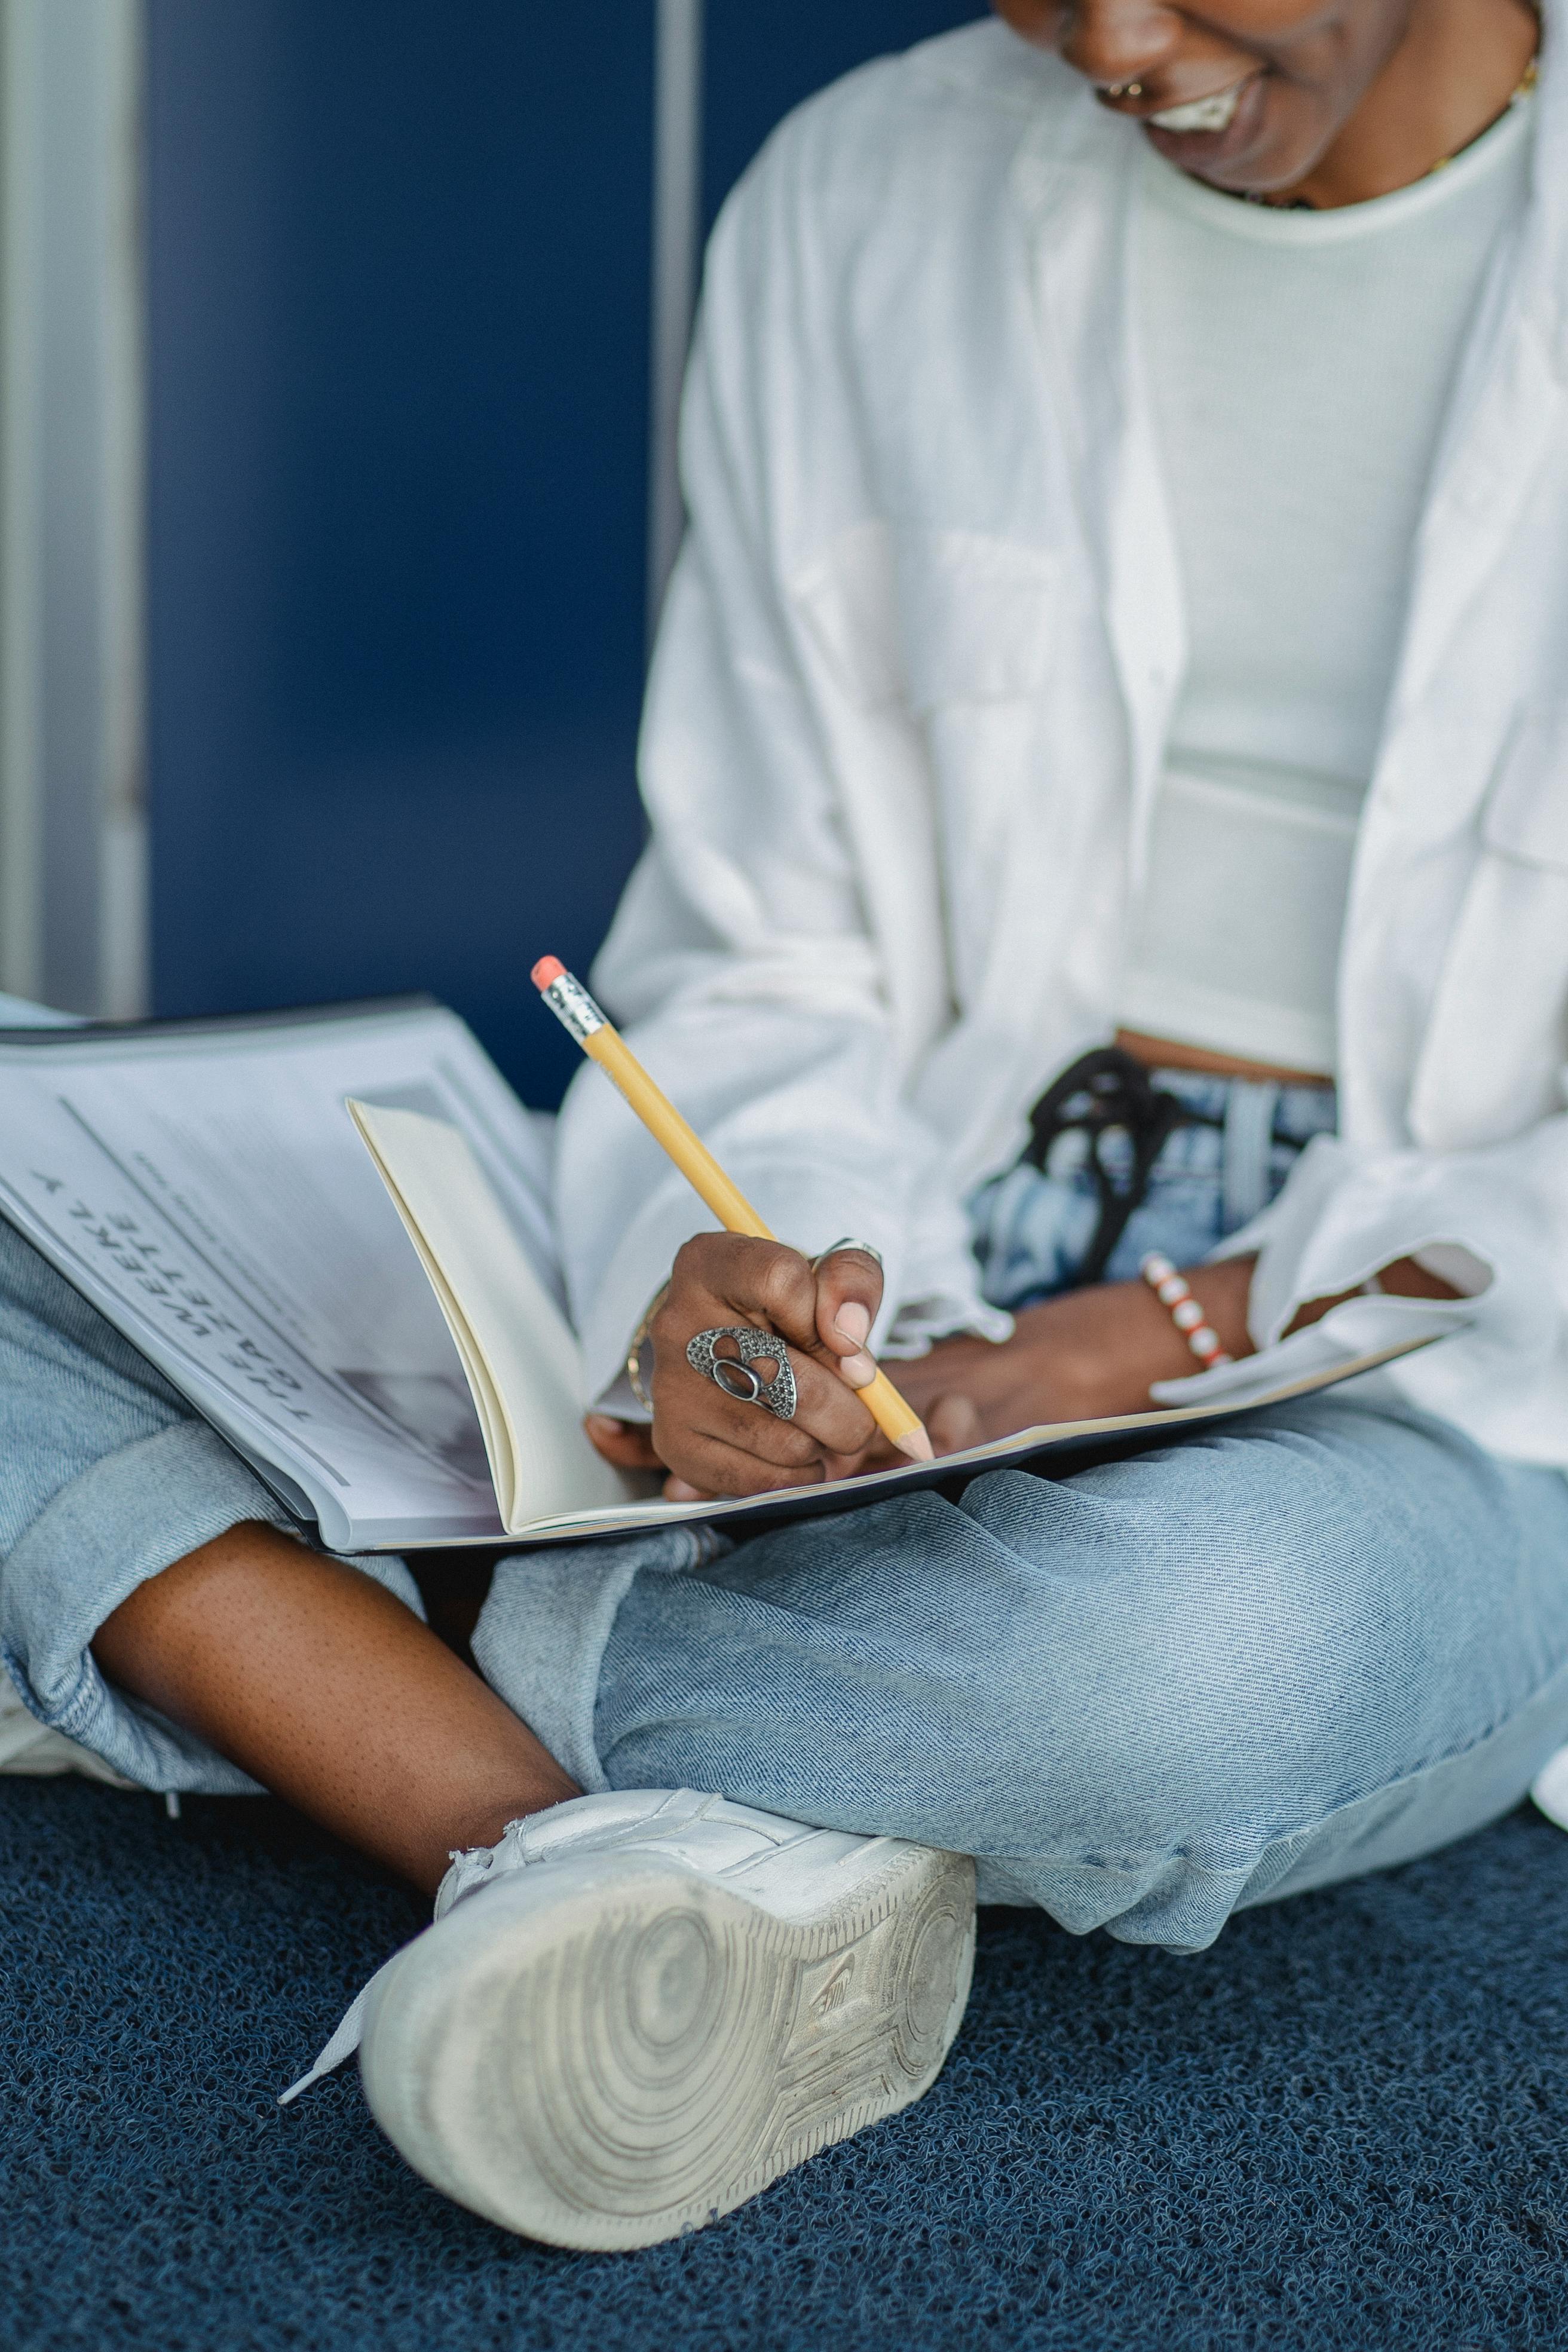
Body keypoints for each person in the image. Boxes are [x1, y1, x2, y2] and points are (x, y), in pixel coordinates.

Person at [4, 0, 1568, 2254]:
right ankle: (606, 1813)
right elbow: (761, 959)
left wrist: (1159, 1330)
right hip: (921, 1224)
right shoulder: (859, 196)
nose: (1117, 42)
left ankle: (266, 1636)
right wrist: (765, 1269)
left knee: (1175, 1684)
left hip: (1443, 1370)